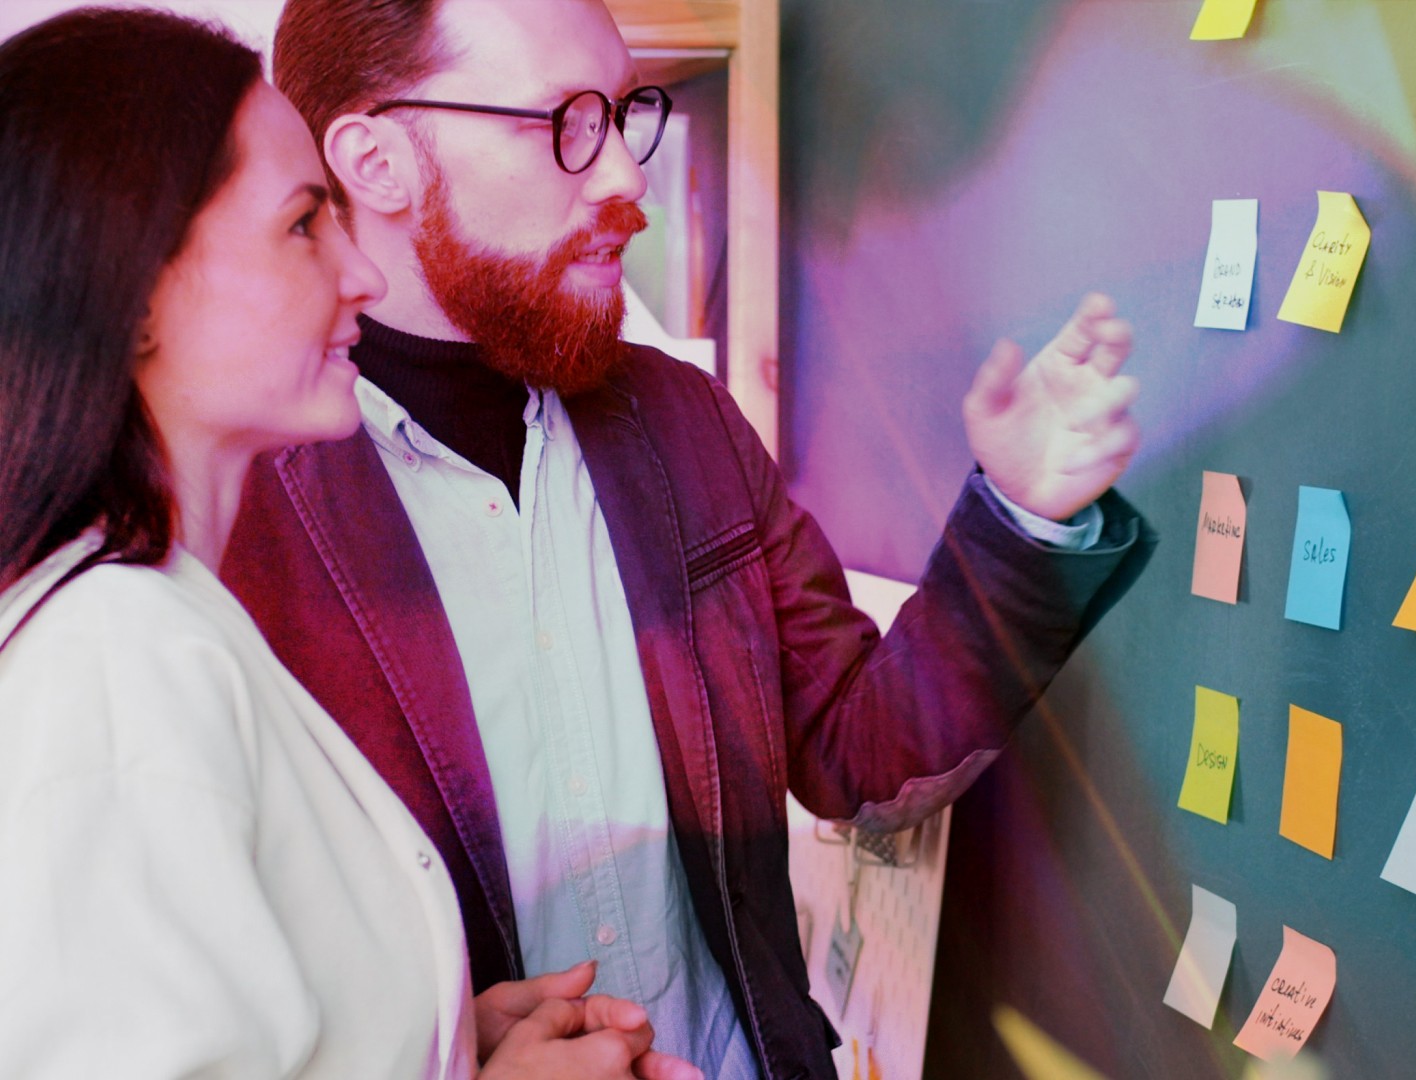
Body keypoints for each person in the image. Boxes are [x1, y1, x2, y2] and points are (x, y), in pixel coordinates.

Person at [224, 0, 1156, 1075]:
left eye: (625, 115)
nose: (627, 179)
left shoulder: (686, 421)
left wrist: (1023, 517)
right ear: (377, 160)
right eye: (566, 121)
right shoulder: (229, 517)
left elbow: (867, 756)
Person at [0, 8, 697, 1078]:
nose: (362, 277)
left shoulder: (166, 616)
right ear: (136, 291)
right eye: (302, 224)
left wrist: (441, 1041)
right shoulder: (115, 659)